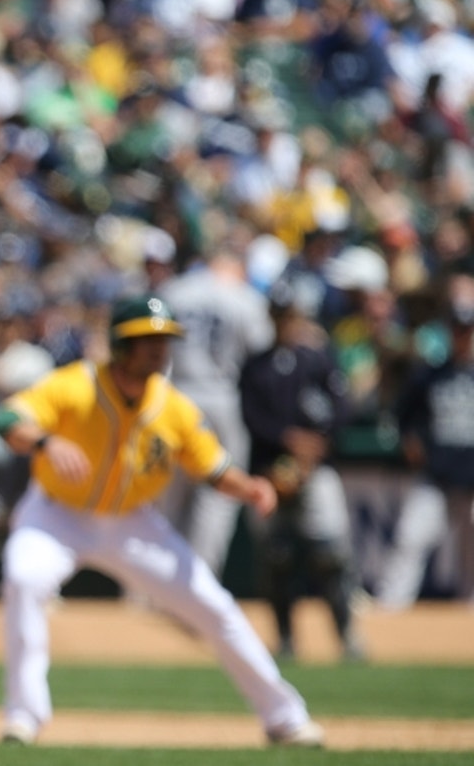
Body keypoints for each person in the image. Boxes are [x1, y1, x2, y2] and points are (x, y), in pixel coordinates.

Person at [0, 294, 324, 748]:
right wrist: (46, 442)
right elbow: (8, 418)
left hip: (132, 522)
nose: (157, 349)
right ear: (119, 344)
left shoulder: (174, 408)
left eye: (163, 339)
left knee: (215, 607)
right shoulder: (76, 384)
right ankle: (23, 717)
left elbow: (214, 469)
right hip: (55, 514)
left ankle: (286, 717)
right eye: (146, 339)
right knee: (24, 578)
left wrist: (250, 488)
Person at [238, 281, 364, 662]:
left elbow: (343, 408)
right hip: (270, 471)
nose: (286, 322)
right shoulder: (257, 365)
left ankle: (347, 638)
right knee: (276, 558)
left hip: (317, 469)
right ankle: (286, 640)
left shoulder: (318, 359)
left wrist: (317, 444)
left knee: (330, 555)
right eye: (280, 315)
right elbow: (252, 417)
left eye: (291, 315)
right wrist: (287, 439)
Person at [158, 244, 274, 577]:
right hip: (222, 396)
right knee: (220, 494)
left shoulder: (174, 291)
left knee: (166, 495)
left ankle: (148, 587)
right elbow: (261, 347)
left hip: (175, 395)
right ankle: (200, 579)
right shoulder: (245, 296)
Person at [379, 300, 474, 610]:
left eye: (467, 330)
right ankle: (390, 609)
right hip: (436, 473)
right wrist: (410, 440)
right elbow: (401, 415)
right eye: (458, 330)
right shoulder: (430, 375)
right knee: (410, 537)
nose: (463, 336)